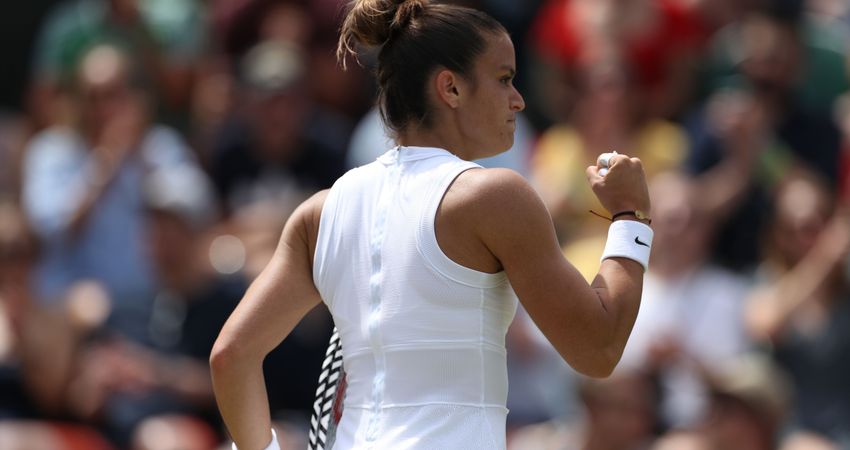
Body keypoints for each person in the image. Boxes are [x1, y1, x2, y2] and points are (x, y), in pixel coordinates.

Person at [210, 1, 653, 449]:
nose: (518, 98)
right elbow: (598, 348)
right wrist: (629, 215)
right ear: (451, 89)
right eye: (504, 79)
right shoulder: (494, 197)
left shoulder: (319, 213)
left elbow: (231, 356)